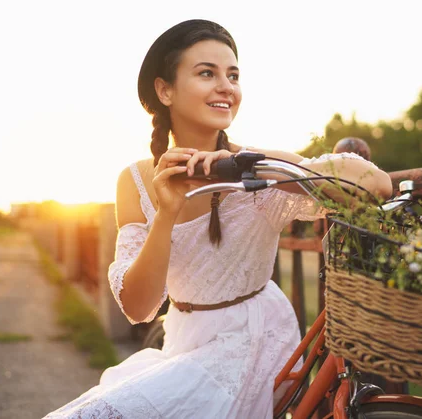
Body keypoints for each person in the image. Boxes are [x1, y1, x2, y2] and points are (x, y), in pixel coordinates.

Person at [45, 19, 392, 418]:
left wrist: (247, 167)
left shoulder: (258, 165)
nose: (226, 86)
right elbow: (139, 309)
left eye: (233, 75)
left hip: (256, 340)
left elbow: (377, 185)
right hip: (184, 343)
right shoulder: (136, 180)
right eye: (206, 73)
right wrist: (167, 213)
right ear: (165, 90)